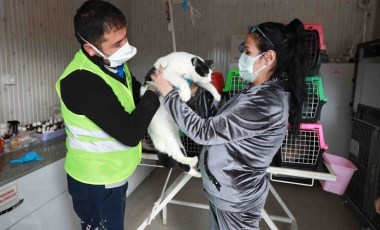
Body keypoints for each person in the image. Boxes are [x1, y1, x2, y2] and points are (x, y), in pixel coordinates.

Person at [149, 18, 307, 229]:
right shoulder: (255, 90)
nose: (242, 56)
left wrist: (168, 94)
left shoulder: (266, 103)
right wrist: (195, 91)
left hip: (236, 199)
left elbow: (204, 132)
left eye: (248, 51)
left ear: (268, 57)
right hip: (225, 192)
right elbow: (218, 122)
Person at [55, 1, 160, 229]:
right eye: (118, 43)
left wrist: (156, 84)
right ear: (90, 49)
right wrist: (155, 92)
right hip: (95, 181)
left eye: (125, 38)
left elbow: (135, 94)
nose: (127, 47)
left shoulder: (113, 64)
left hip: (112, 173)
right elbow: (130, 133)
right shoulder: (82, 81)